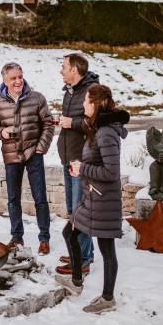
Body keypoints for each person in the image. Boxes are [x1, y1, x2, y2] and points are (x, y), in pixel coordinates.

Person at [55, 84, 129, 314]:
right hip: (93, 197)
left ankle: (108, 298)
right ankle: (76, 282)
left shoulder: (106, 133)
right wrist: (80, 168)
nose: (83, 104)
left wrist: (83, 168)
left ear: (96, 104)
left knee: (107, 250)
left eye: (86, 101)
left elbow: (111, 173)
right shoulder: (99, 127)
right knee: (70, 232)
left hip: (103, 200)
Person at [0, 62, 54, 255]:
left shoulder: (37, 98)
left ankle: (44, 238)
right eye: (13, 78)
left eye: (20, 76)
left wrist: (41, 148)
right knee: (13, 199)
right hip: (11, 156)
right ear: (5, 80)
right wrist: (3, 132)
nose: (18, 81)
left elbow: (48, 124)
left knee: (40, 198)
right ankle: (17, 237)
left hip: (33, 154)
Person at [56, 53, 99, 275]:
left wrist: (71, 122)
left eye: (63, 66)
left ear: (75, 69)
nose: (60, 70)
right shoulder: (70, 90)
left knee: (79, 211)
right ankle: (81, 252)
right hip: (68, 157)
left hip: (81, 161)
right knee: (73, 210)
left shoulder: (91, 90)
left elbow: (95, 122)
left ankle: (82, 260)